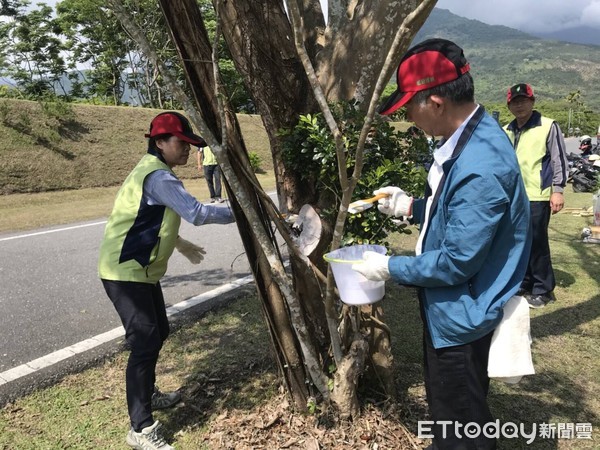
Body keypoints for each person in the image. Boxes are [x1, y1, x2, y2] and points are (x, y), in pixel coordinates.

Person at [352, 38, 531, 449]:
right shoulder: (472, 137)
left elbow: (456, 260)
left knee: (462, 421)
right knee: (450, 411)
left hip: (462, 314)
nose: (409, 119)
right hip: (452, 305)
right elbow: (459, 217)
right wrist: (411, 207)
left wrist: (388, 267)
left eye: (409, 108)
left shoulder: (480, 166)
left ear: (435, 102)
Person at [98, 111, 235, 450]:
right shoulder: (159, 176)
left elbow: (146, 217)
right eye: (182, 143)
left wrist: (179, 243)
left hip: (138, 272)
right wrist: (245, 211)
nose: (188, 150)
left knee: (159, 332)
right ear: (160, 142)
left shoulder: (154, 171)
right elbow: (198, 213)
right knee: (144, 342)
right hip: (125, 273)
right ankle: (141, 429)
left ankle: (149, 394)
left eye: (190, 144)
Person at [504, 83, 568, 308]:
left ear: (533, 101)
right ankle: (525, 282)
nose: (520, 105)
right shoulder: (507, 130)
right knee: (518, 242)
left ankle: (544, 289)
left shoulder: (548, 125)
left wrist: (557, 190)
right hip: (514, 196)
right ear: (509, 105)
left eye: (524, 100)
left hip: (538, 195)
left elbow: (559, 159)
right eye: (515, 101)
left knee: (537, 242)